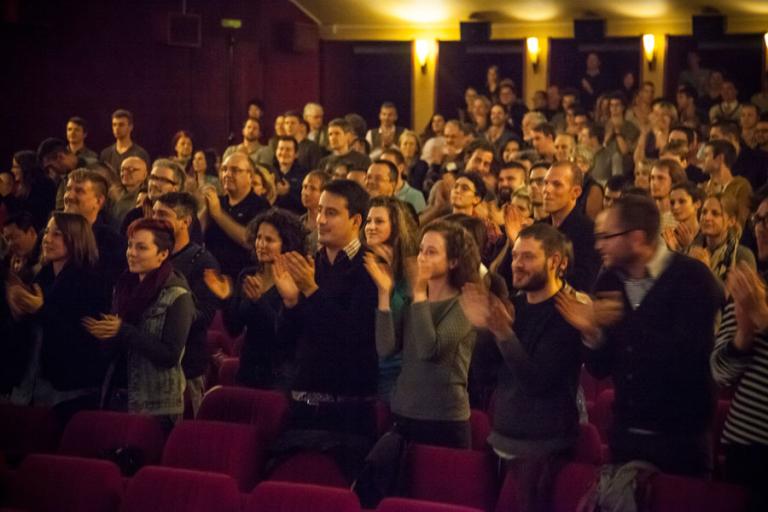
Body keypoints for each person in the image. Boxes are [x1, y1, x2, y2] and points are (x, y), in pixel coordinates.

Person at [556, 195, 723, 477]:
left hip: (680, 438)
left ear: (636, 238)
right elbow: (600, 368)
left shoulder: (693, 278)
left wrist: (626, 323)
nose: (598, 245)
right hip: (626, 433)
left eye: (607, 237)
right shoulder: (609, 280)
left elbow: (687, 357)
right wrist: (592, 331)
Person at [462, 223, 584, 512]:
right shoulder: (514, 306)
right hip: (503, 439)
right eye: (515, 256)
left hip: (544, 449)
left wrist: (503, 333)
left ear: (555, 261)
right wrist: (482, 330)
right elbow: (485, 374)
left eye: (527, 257)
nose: (516, 264)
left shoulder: (568, 312)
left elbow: (537, 382)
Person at [269, 179, 378, 480]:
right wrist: (291, 302)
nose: (320, 220)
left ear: (356, 220)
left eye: (331, 213)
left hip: (347, 412)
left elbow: (354, 337)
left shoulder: (370, 269)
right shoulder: (312, 263)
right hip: (303, 403)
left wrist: (311, 290)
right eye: (319, 211)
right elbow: (287, 341)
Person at [367, 219, 480, 450]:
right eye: (421, 251)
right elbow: (385, 348)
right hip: (404, 413)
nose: (421, 258)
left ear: (453, 261)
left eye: (431, 252)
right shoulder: (414, 301)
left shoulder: (464, 304)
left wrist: (419, 293)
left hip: (443, 420)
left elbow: (430, 349)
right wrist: (384, 294)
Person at [85, 218, 193, 434]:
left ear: (162, 254)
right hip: (117, 392)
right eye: (130, 245)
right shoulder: (124, 286)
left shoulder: (177, 295)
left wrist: (122, 330)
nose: (131, 253)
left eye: (141, 247)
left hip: (155, 403)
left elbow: (170, 355)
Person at [7, 212, 108, 420]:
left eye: (57, 234)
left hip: (69, 384)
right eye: (47, 232)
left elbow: (81, 334)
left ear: (76, 239)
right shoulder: (42, 275)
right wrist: (19, 311)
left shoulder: (90, 280)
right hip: (36, 377)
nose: (47, 239)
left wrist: (40, 310)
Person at [710, 187, 768, 510]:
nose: (760, 227)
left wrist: (763, 317)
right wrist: (743, 337)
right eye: (758, 220)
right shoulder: (751, 285)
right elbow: (719, 372)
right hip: (744, 445)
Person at [204, 208, 306, 389]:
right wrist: (226, 297)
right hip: (248, 369)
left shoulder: (294, 281)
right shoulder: (247, 275)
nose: (261, 244)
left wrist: (259, 301)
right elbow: (234, 329)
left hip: (278, 374)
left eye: (269, 240)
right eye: (259, 237)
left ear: (286, 244)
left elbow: (284, 335)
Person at [152, 193, 221, 416]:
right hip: (150, 363)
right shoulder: (149, 255)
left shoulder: (202, 260)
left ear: (186, 221)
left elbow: (205, 314)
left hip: (185, 367)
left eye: (163, 215)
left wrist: (170, 315)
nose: (155, 219)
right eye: (153, 213)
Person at [362, 196, 419, 401]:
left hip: (396, 371)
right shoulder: (363, 262)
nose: (371, 227)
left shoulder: (410, 268)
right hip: (365, 366)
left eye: (379, 221)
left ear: (395, 227)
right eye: (368, 221)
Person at [201, 152, 270, 278]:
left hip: (241, 278)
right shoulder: (218, 202)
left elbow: (250, 241)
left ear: (250, 176)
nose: (227, 174)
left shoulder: (261, 206)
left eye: (234, 170)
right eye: (224, 169)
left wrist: (218, 214)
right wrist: (206, 207)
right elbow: (195, 234)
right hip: (210, 275)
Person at [541, 161, 601, 292]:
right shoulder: (539, 228)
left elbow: (582, 285)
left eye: (557, 185)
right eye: (545, 183)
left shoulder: (589, 233)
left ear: (576, 192)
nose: (547, 190)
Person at [689, 194, 756, 283]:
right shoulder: (691, 250)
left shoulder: (742, 255)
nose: (707, 218)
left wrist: (707, 272)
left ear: (731, 221)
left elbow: (743, 295)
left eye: (715, 214)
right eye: (704, 212)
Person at [701, 139, 753, 230]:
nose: (701, 160)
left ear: (719, 158)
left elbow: (740, 221)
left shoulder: (741, 186)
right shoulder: (703, 187)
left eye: (706, 155)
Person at [9, 150, 56, 230]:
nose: (12, 170)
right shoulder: (21, 187)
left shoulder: (44, 185)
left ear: (25, 167)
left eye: (15, 167)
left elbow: (38, 215)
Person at [381, 146, 426, 214]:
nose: (382, 168)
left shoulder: (415, 196)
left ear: (400, 168)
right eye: (381, 164)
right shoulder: (378, 193)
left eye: (389, 165)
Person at [663, 182, 702, 254]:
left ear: (697, 204)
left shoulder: (706, 236)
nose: (675, 207)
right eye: (672, 202)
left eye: (682, 201)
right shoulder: (670, 238)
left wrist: (689, 246)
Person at [111, 156, 148, 228]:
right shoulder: (111, 194)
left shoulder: (146, 197)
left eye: (131, 170)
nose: (125, 173)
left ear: (144, 174)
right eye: (122, 169)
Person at [299, 170, 329, 254]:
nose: (306, 193)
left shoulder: (329, 227)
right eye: (304, 187)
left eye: (313, 188)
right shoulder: (297, 223)